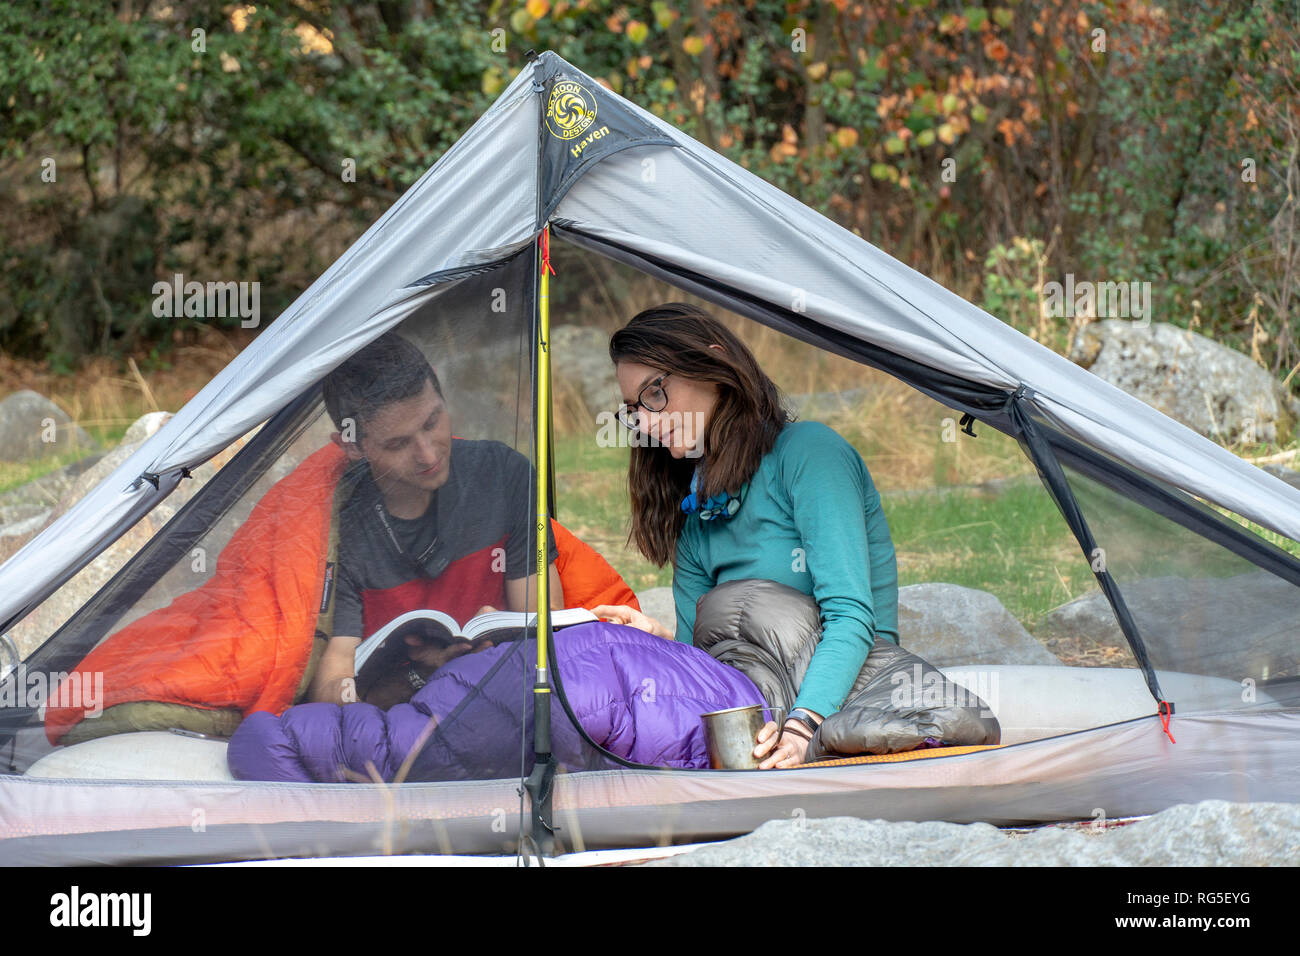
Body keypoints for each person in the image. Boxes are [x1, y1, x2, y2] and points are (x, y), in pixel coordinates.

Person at [592, 303, 900, 769]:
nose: (648, 424)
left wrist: (801, 729)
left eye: (655, 393)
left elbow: (854, 619)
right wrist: (655, 641)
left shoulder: (809, 455)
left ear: (715, 366)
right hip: (757, 707)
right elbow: (702, 665)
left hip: (845, 695)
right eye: (634, 409)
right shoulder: (698, 516)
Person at [308, 332, 564, 706]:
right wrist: (422, 674)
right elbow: (332, 686)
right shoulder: (342, 525)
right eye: (397, 444)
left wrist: (504, 632)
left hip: (505, 691)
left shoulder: (502, 474)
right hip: (401, 714)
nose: (427, 454)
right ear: (352, 446)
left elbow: (549, 619)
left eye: (432, 422)